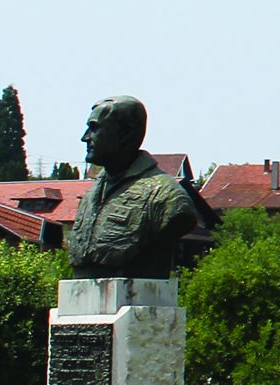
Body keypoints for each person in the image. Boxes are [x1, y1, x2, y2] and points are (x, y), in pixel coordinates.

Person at [45, 96, 202, 280]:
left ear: (126, 133)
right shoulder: (89, 197)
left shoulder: (165, 196)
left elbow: (180, 216)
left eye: (95, 128)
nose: (85, 137)